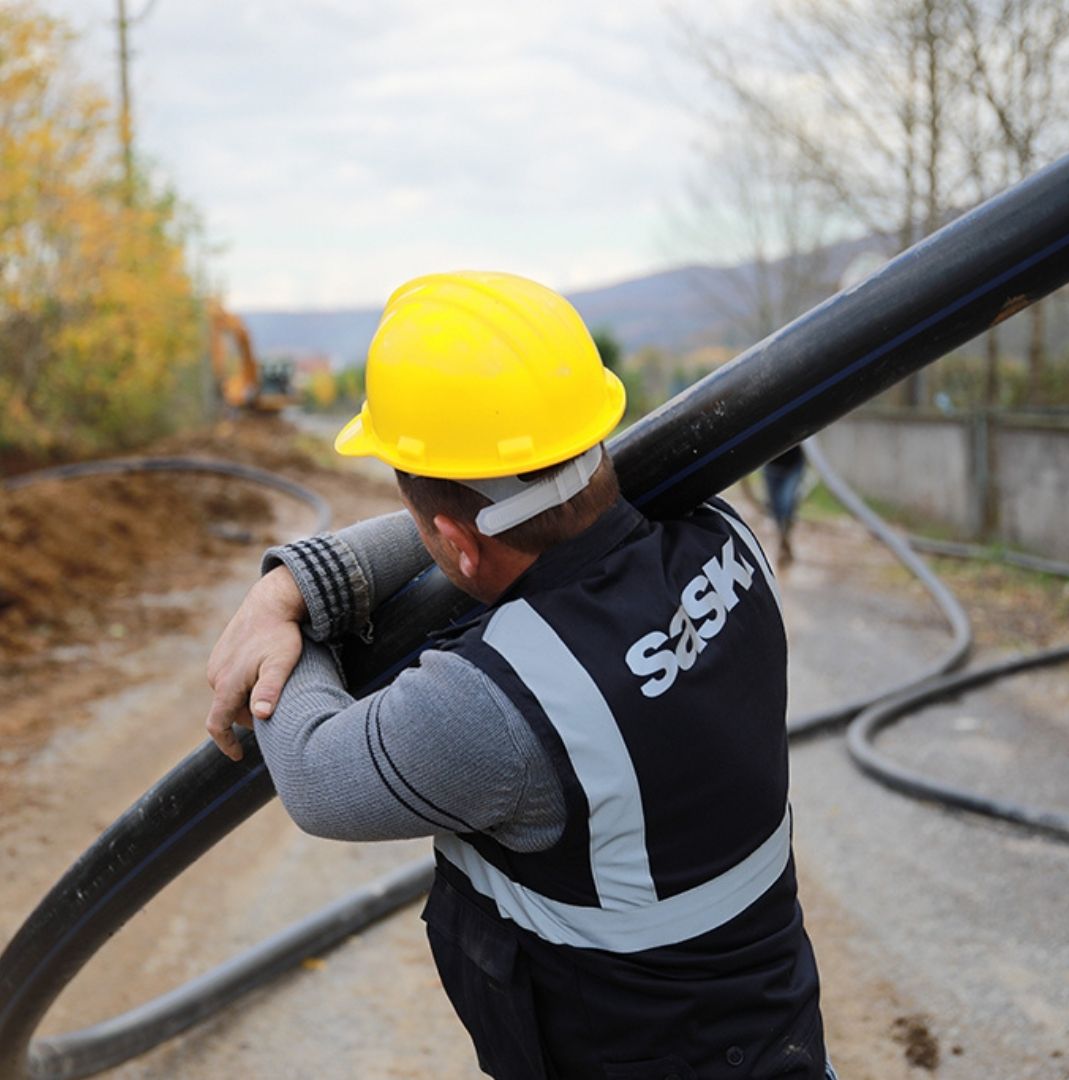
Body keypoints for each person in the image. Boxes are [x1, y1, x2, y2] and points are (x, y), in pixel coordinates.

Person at [206, 271, 835, 1079]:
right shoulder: (722, 536)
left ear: (461, 548)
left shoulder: (496, 704)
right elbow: (530, 509)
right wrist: (304, 578)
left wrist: (279, 617)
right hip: (780, 1040)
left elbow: (316, 775)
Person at [762, 444, 807, 568]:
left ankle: (784, 540)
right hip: (771, 466)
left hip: (793, 465)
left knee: (786, 504)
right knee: (776, 508)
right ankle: (782, 539)